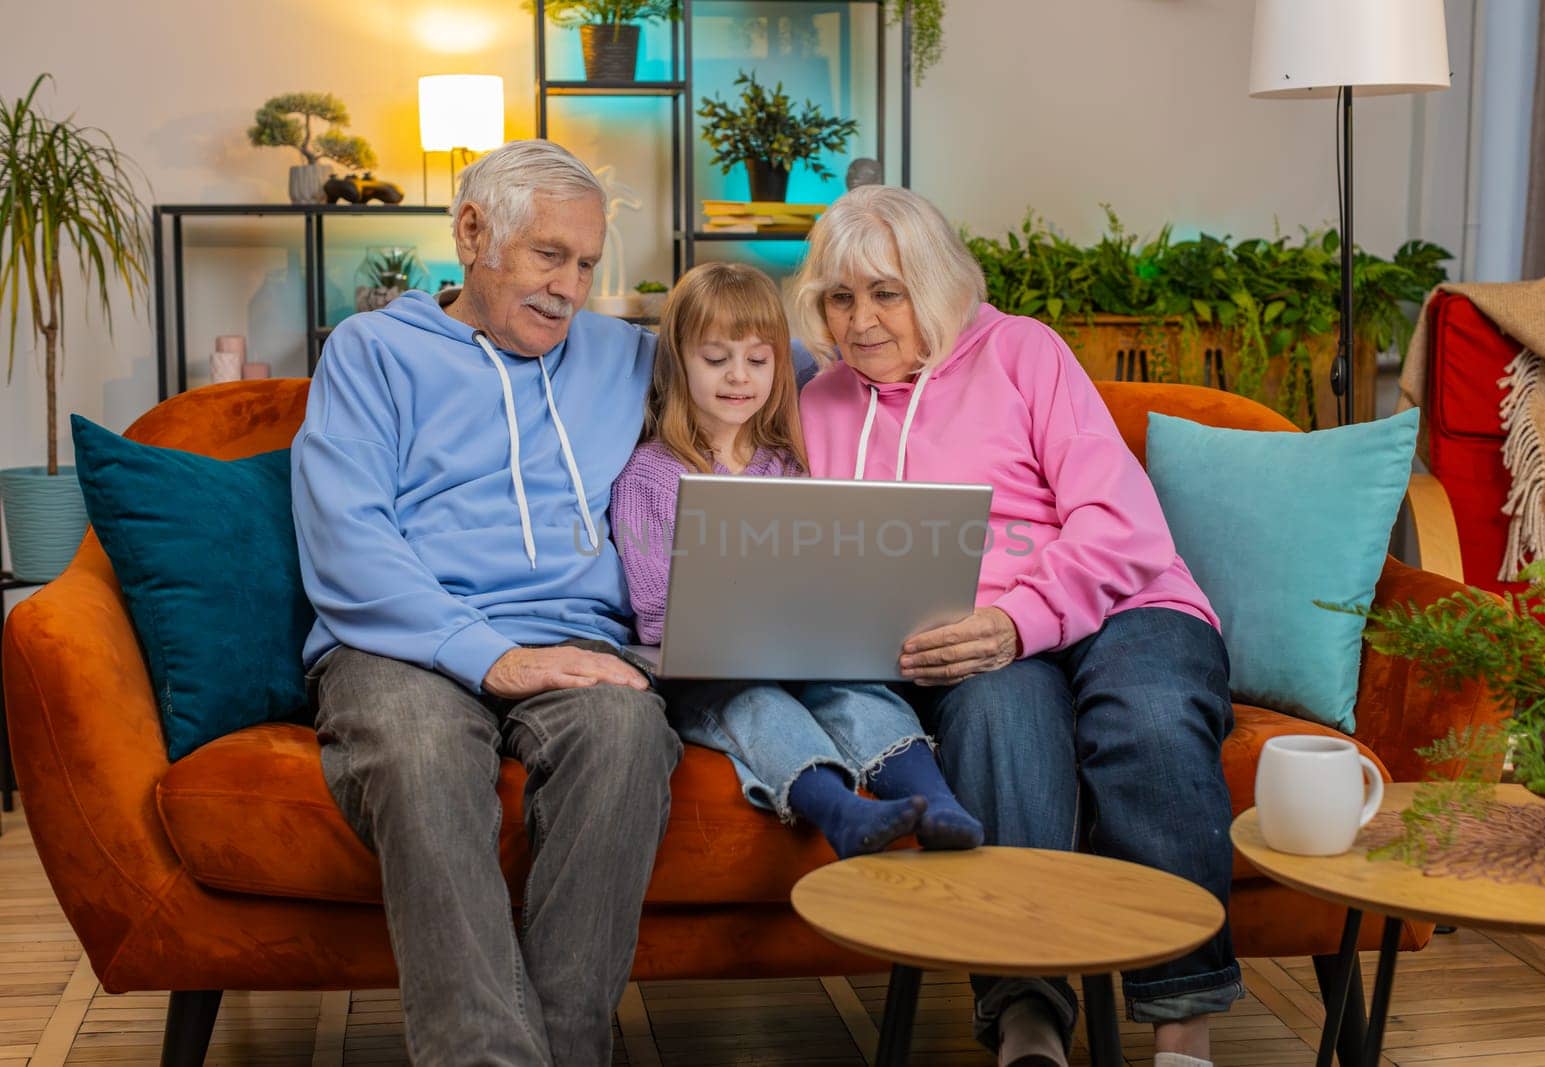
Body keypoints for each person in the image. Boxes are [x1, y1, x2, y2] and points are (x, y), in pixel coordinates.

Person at [794, 185, 1240, 1067]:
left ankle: (1185, 1025)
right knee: (1000, 721)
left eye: (887, 292)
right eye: (840, 298)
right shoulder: (819, 403)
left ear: (937, 284)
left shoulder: (1022, 350)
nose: (862, 320)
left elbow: (1125, 527)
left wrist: (1017, 617)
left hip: (1124, 602)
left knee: (1146, 720)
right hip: (974, 646)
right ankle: (1027, 1014)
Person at [291, 140, 683, 1066]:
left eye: (587, 265)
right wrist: (488, 655)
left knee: (626, 735)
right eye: (550, 255)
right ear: (472, 232)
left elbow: (777, 358)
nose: (569, 288)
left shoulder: (622, 355)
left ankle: (568, 1049)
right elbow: (346, 538)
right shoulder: (371, 352)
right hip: (398, 641)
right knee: (419, 747)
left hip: (576, 636)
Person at [611, 262, 984, 859]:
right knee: (757, 702)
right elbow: (656, 614)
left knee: (855, 691)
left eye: (758, 361)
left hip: (798, 651)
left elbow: (824, 573)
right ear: (679, 361)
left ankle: (936, 805)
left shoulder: (790, 465)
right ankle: (838, 813)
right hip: (704, 675)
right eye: (716, 359)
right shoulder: (647, 475)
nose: (739, 377)